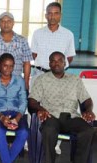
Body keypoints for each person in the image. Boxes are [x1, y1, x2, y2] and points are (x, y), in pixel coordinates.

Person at [28, 51, 95, 163]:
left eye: (59, 60)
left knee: (88, 130)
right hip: (52, 115)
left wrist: (88, 110)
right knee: (48, 130)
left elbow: (87, 100)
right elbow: (32, 100)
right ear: (49, 64)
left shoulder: (75, 80)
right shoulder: (42, 79)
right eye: (53, 60)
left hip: (71, 117)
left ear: (65, 63)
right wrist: (40, 109)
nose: (56, 63)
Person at [31, 2, 76, 154]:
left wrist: (58, 72)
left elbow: (69, 56)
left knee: (58, 108)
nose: (52, 16)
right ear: (45, 15)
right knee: (34, 107)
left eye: (56, 13)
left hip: (59, 77)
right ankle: (32, 139)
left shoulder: (68, 34)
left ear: (60, 15)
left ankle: (55, 143)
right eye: (49, 13)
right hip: (39, 75)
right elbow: (34, 55)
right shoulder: (38, 33)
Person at [0, 12, 32, 91]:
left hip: (16, 85)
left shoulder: (22, 41)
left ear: (13, 23)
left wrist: (26, 82)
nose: (6, 24)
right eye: (3, 21)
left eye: (9, 21)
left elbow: (27, 63)